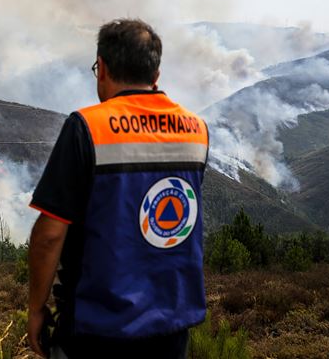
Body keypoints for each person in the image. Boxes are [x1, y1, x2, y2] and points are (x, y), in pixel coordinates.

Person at [26, 19, 209, 359]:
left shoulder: (86, 127)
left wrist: (36, 307)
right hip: (172, 327)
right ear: (156, 75)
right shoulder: (197, 130)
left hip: (98, 328)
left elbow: (50, 234)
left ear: (103, 69)